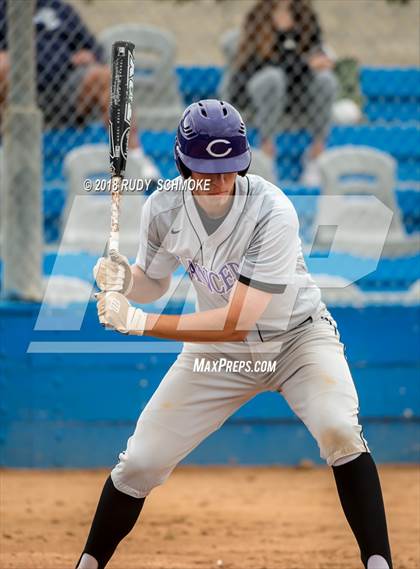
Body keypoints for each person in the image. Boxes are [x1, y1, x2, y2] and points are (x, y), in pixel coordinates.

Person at [77, 100, 392, 569]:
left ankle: (379, 563)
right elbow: (155, 281)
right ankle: (87, 563)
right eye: (206, 170)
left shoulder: (272, 211)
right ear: (183, 165)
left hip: (297, 341)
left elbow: (237, 319)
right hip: (219, 354)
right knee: (141, 462)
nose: (219, 182)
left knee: (340, 430)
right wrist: (124, 280)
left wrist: (139, 321)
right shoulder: (162, 208)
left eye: (228, 169)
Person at [0, 0, 159, 179]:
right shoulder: (3, 10)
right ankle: (8, 154)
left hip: (66, 87)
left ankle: (134, 157)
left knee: (109, 75)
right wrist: (61, 58)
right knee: (3, 64)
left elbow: (94, 50)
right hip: (18, 92)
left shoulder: (59, 9)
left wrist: (88, 55)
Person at [226, 0, 337, 185]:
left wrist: (319, 62)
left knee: (326, 80)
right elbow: (257, 64)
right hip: (261, 90)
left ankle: (316, 156)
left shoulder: (306, 16)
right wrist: (304, 64)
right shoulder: (258, 15)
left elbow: (316, 56)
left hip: (298, 90)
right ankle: (266, 153)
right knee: (273, 77)